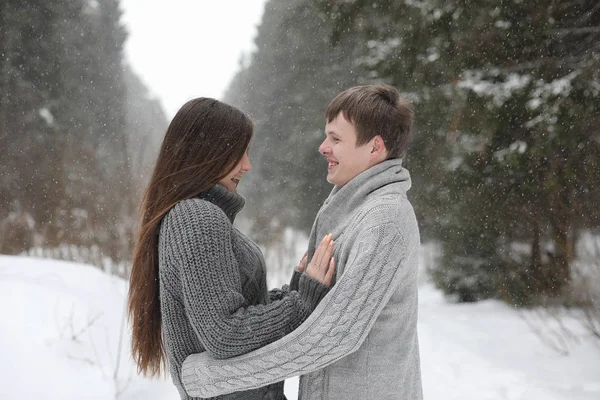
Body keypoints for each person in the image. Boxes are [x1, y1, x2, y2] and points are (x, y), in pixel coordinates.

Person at [181, 85, 423, 400]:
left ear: (375, 147)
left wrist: (215, 378)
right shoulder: (350, 211)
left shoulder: (385, 222)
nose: (323, 147)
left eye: (336, 139)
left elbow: (334, 337)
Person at [127, 98, 336, 400]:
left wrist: (294, 291)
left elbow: (228, 311)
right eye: (239, 153)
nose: (247, 166)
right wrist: (303, 303)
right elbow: (225, 334)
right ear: (208, 152)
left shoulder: (194, 216)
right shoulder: (197, 217)